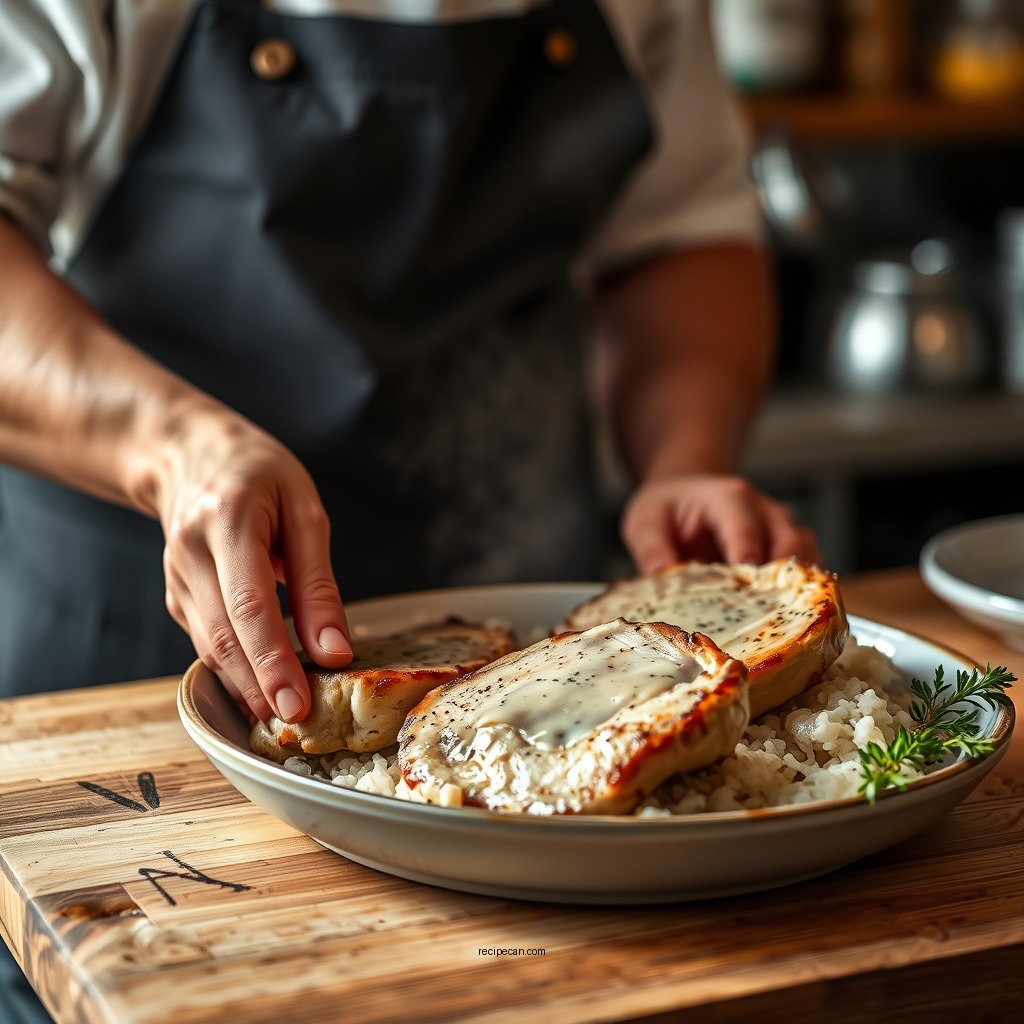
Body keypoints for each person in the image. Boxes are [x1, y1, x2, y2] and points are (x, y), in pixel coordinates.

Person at [0, 1, 818, 1019]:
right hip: (128, 653)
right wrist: (170, 447)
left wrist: (684, 455)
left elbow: (679, 229)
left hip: (554, 667)